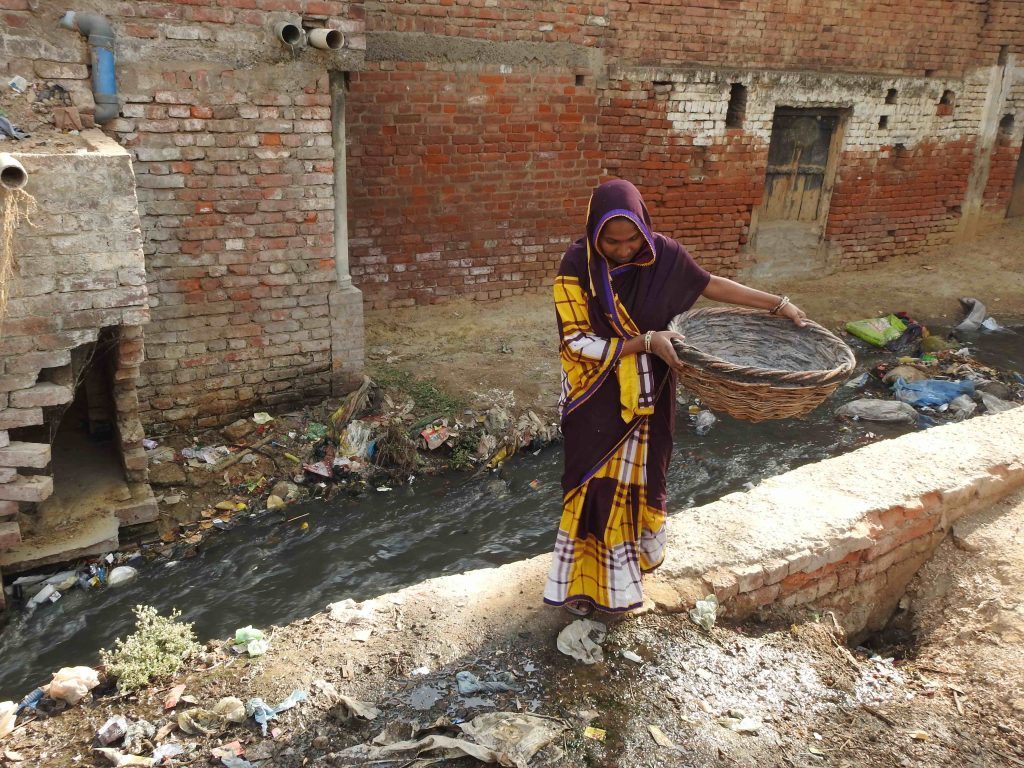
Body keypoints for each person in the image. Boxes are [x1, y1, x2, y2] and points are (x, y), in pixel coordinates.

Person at [544, 179, 807, 617]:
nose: (624, 248)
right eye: (612, 241)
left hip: (651, 394)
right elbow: (575, 344)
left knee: (640, 483)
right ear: (594, 233)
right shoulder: (576, 265)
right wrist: (644, 342)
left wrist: (778, 304)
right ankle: (586, 588)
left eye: (632, 239)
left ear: (645, 230)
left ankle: (625, 579)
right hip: (596, 397)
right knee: (595, 489)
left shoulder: (663, 254)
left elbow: (710, 284)